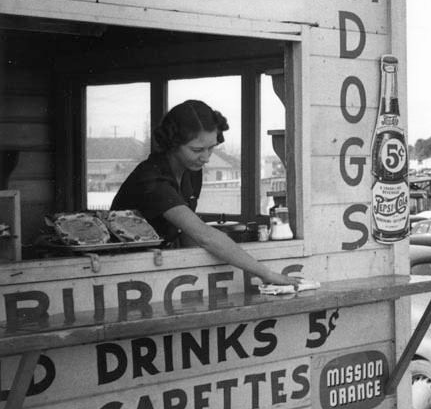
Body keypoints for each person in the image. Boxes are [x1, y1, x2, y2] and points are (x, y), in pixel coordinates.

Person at [112, 99, 312, 289]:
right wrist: (267, 274)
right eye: (197, 149)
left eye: (211, 148)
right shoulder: (151, 179)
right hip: (122, 271)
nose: (206, 158)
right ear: (172, 144)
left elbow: (190, 234)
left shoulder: (191, 171)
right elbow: (204, 235)